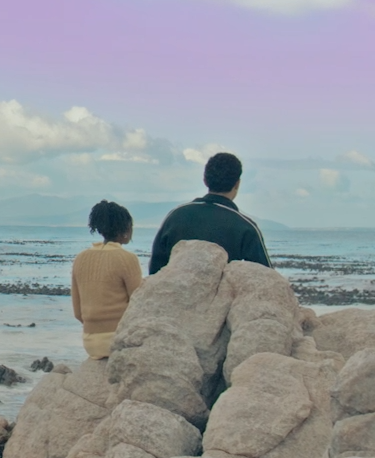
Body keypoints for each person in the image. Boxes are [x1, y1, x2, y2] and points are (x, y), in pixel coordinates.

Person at [148, 152, 270, 274]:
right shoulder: (245, 227)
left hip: (175, 290)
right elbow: (266, 278)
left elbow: (155, 269)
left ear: (205, 180)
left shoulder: (175, 217)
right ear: (237, 183)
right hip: (222, 292)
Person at [71, 200, 143, 359]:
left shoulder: (80, 258)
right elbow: (139, 304)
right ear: (125, 229)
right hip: (117, 339)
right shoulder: (127, 258)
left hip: (90, 341)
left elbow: (77, 313)